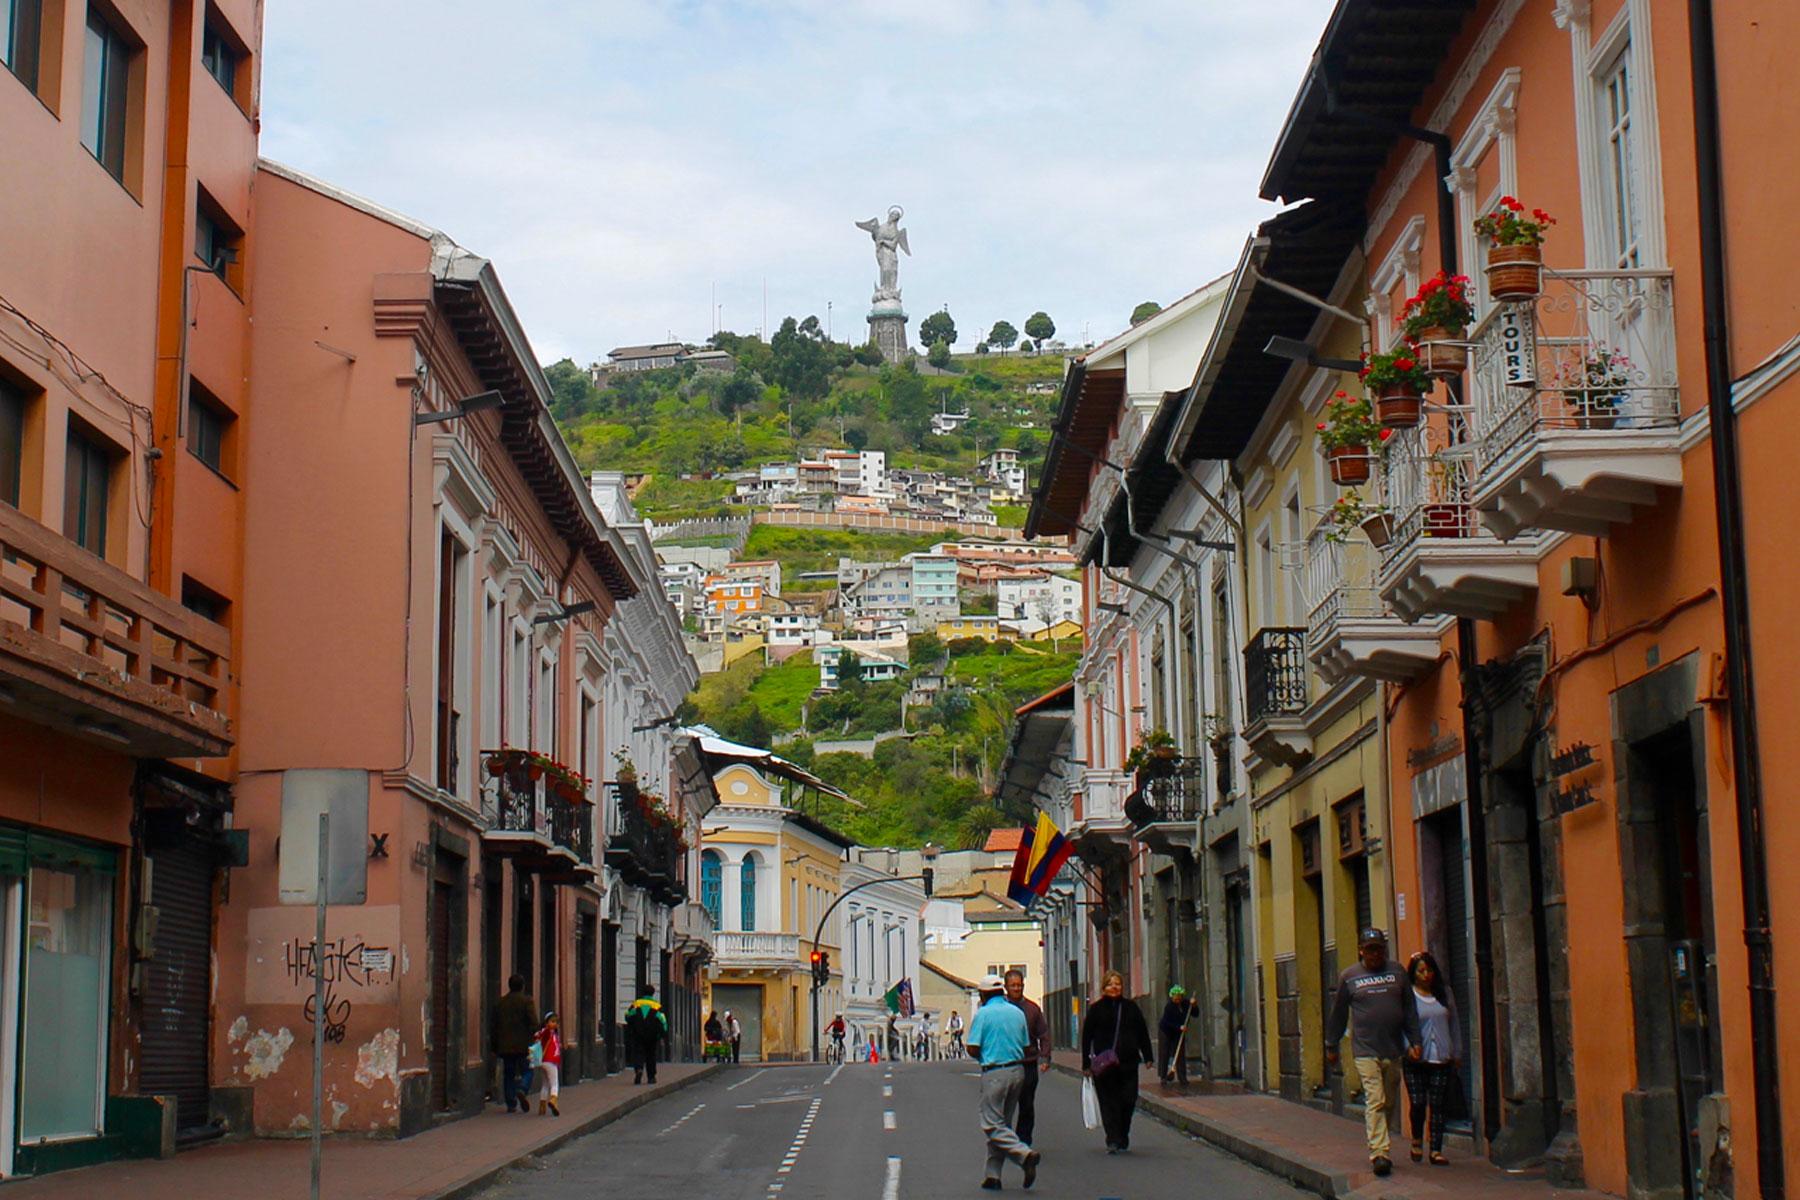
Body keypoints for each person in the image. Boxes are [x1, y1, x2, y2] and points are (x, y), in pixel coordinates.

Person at [1325, 928, 1423, 1177]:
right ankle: (1379, 1153)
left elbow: (1410, 1009)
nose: (1375, 954)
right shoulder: (1349, 977)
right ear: (1361, 950)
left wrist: (1415, 1040)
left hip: (1393, 1048)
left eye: (1379, 948)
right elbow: (1338, 1014)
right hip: (1365, 1050)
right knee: (1376, 1099)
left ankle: (1382, 1143)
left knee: (1389, 1100)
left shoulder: (1397, 972)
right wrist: (1331, 1044)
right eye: (1370, 949)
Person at [966, 974, 1042, 1191]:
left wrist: (983, 1055)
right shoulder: (1017, 1013)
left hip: (994, 1072)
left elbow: (972, 1046)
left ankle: (1023, 1154)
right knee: (1003, 1124)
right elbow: (1027, 1044)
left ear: (984, 994)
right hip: (1018, 1071)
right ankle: (993, 1175)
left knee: (992, 1124)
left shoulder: (984, 1014)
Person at [1081, 969, 1154, 1153]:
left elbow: (1142, 1031)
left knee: (1128, 1100)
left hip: (1128, 1062)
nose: (1114, 987)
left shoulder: (1131, 1007)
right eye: (1110, 984)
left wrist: (1148, 1056)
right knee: (1108, 1102)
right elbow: (1087, 1036)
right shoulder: (1096, 1010)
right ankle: (1113, 1138)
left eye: (1118, 983)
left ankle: (1123, 1133)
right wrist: (1086, 1063)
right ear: (1104, 987)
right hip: (1104, 1065)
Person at [1403, 951, 1461, 1166]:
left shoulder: (1445, 994)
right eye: (1421, 971)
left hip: (1441, 1059)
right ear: (1414, 973)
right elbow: (1402, 1026)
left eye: (1429, 970)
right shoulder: (1408, 996)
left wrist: (1457, 1052)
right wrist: (1407, 1047)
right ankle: (1417, 1139)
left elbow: (1454, 1023)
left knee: (1438, 1105)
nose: (1426, 975)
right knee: (1418, 1102)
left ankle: (1436, 1149)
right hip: (1416, 1060)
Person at [1004, 969, 1051, 1147]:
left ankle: (1024, 1140)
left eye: (1019, 985)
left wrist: (1045, 1057)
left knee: (1026, 1105)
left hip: (1028, 1064)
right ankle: (1006, 1140)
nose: (1017, 988)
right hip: (1006, 1064)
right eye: (1013, 985)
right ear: (1006, 987)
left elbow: (1044, 1034)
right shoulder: (1000, 1009)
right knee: (1006, 1106)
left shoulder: (1032, 1009)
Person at [490, 974, 538, 1114]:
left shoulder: (500, 1003)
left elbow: (494, 1026)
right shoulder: (527, 1001)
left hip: (505, 1046)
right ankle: (522, 1088)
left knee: (508, 1073)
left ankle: (511, 1103)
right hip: (525, 1045)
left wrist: (494, 1046)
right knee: (528, 1070)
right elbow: (533, 1023)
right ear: (523, 986)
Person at [624, 985, 669, 1085]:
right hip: (652, 1035)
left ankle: (639, 1069)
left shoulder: (636, 1004)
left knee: (638, 1053)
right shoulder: (657, 1006)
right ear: (653, 993)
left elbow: (627, 1015)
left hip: (638, 1033)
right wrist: (663, 1034)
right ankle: (651, 1077)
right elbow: (663, 1021)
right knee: (651, 1055)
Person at [1157, 985, 1201, 1087]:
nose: (1177, 999)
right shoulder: (1169, 1007)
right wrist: (1179, 1027)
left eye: (1179, 997)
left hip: (1179, 1032)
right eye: (1175, 997)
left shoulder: (1186, 1004)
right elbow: (1167, 1022)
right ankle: (1163, 1077)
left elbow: (1195, 1014)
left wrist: (1194, 1005)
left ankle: (1182, 1078)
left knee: (1180, 1054)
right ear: (1172, 997)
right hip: (1166, 1031)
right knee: (1165, 1053)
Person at [534, 1012, 562, 1116]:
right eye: (552, 1021)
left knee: (545, 1084)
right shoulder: (547, 1032)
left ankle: (542, 1107)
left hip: (543, 1062)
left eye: (556, 1022)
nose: (555, 1024)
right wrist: (547, 1028)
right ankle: (553, 1101)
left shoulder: (552, 1034)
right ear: (546, 1023)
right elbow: (542, 1034)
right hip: (550, 1061)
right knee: (554, 1083)